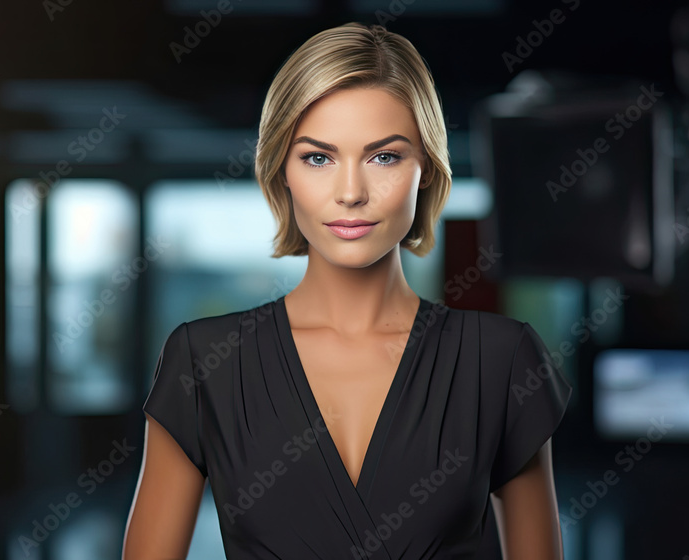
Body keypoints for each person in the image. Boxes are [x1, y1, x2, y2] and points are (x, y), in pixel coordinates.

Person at [123, 22, 572, 559]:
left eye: (385, 157)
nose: (352, 193)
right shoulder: (204, 362)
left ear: (424, 169)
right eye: (318, 157)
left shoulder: (500, 360)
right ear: (281, 173)